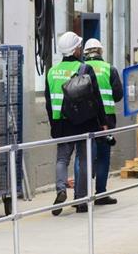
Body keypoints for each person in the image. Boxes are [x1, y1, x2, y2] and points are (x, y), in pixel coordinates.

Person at [45, 31, 108, 215]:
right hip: (83, 123)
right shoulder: (84, 69)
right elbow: (96, 98)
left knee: (62, 159)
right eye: (79, 47)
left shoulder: (51, 72)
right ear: (76, 50)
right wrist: (102, 122)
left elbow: (49, 102)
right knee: (84, 160)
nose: (81, 49)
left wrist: (53, 124)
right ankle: (81, 200)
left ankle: (61, 190)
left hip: (60, 123)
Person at [74, 38, 124, 206]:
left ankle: (79, 196)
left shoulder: (80, 69)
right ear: (101, 52)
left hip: (86, 118)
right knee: (103, 156)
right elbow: (118, 95)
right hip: (107, 119)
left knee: (82, 156)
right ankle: (101, 193)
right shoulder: (110, 69)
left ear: (85, 53)